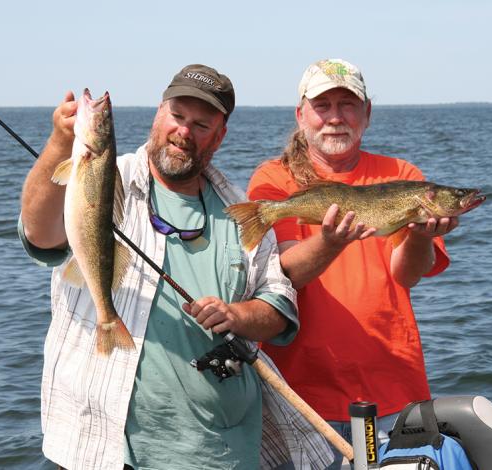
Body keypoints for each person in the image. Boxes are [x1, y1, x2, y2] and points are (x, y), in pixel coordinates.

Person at [18, 64, 332, 470]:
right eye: (178, 116)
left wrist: (235, 315)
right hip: (97, 448)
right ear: (158, 114)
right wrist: (60, 145)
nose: (185, 132)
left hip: (214, 453)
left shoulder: (242, 213)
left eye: (201, 125)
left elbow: (278, 308)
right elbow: (40, 234)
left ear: (219, 137)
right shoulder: (110, 176)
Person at [247, 58, 462, 469]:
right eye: (322, 105)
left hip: (393, 388)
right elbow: (286, 273)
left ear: (367, 114)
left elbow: (407, 274)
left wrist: (419, 233)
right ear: (301, 114)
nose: (335, 118)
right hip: (302, 395)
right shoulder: (274, 179)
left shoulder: (401, 174)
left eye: (347, 105)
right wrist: (330, 242)